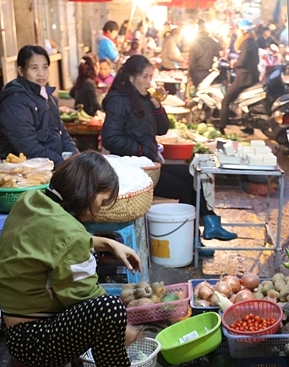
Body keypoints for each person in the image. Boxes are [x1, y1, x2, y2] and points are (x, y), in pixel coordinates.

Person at [0, 152, 165, 367]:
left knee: (105, 308)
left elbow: (52, 240)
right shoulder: (69, 232)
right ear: (86, 192)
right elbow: (80, 295)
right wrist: (122, 329)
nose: (98, 213)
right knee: (110, 308)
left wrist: (106, 243)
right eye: (102, 201)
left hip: (14, 332)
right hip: (36, 342)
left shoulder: (33, 200)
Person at [101, 55, 237, 246]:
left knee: (190, 173)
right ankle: (193, 239)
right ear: (132, 78)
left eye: (151, 77)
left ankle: (207, 222)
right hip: (132, 170)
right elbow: (110, 138)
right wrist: (140, 150)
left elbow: (162, 128)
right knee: (182, 187)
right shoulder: (119, 100)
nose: (150, 82)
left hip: (149, 164)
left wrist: (157, 106)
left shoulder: (144, 98)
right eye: (146, 77)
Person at [0, 45, 77, 167]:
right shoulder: (15, 102)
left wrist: (75, 157)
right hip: (25, 173)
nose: (41, 73)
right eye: (34, 68)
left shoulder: (49, 97)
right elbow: (28, 148)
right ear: (21, 71)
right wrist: (62, 163)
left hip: (52, 167)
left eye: (45, 67)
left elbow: (62, 134)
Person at [218, 19, 259, 133]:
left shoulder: (246, 43)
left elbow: (242, 62)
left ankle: (221, 126)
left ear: (243, 31)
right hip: (253, 77)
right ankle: (249, 127)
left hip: (244, 78)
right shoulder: (253, 42)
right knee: (247, 103)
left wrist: (234, 63)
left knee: (226, 100)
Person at [188, 20, 222, 88]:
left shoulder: (194, 43)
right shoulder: (214, 42)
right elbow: (218, 56)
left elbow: (192, 60)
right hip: (210, 72)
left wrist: (189, 74)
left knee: (198, 92)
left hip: (197, 72)